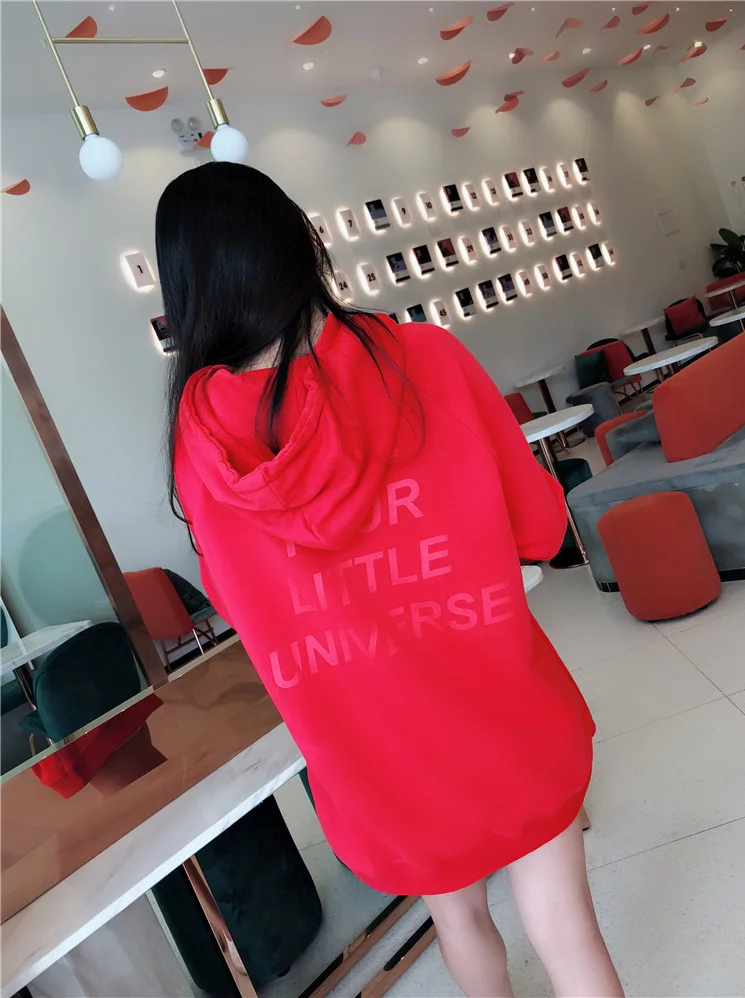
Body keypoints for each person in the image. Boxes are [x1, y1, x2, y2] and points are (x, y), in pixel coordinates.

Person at [156, 162, 624, 998]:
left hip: (377, 757)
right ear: (301, 243)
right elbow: (541, 526)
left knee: (460, 924)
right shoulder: (422, 358)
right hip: (503, 709)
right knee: (564, 926)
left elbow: (236, 601)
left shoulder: (199, 440)